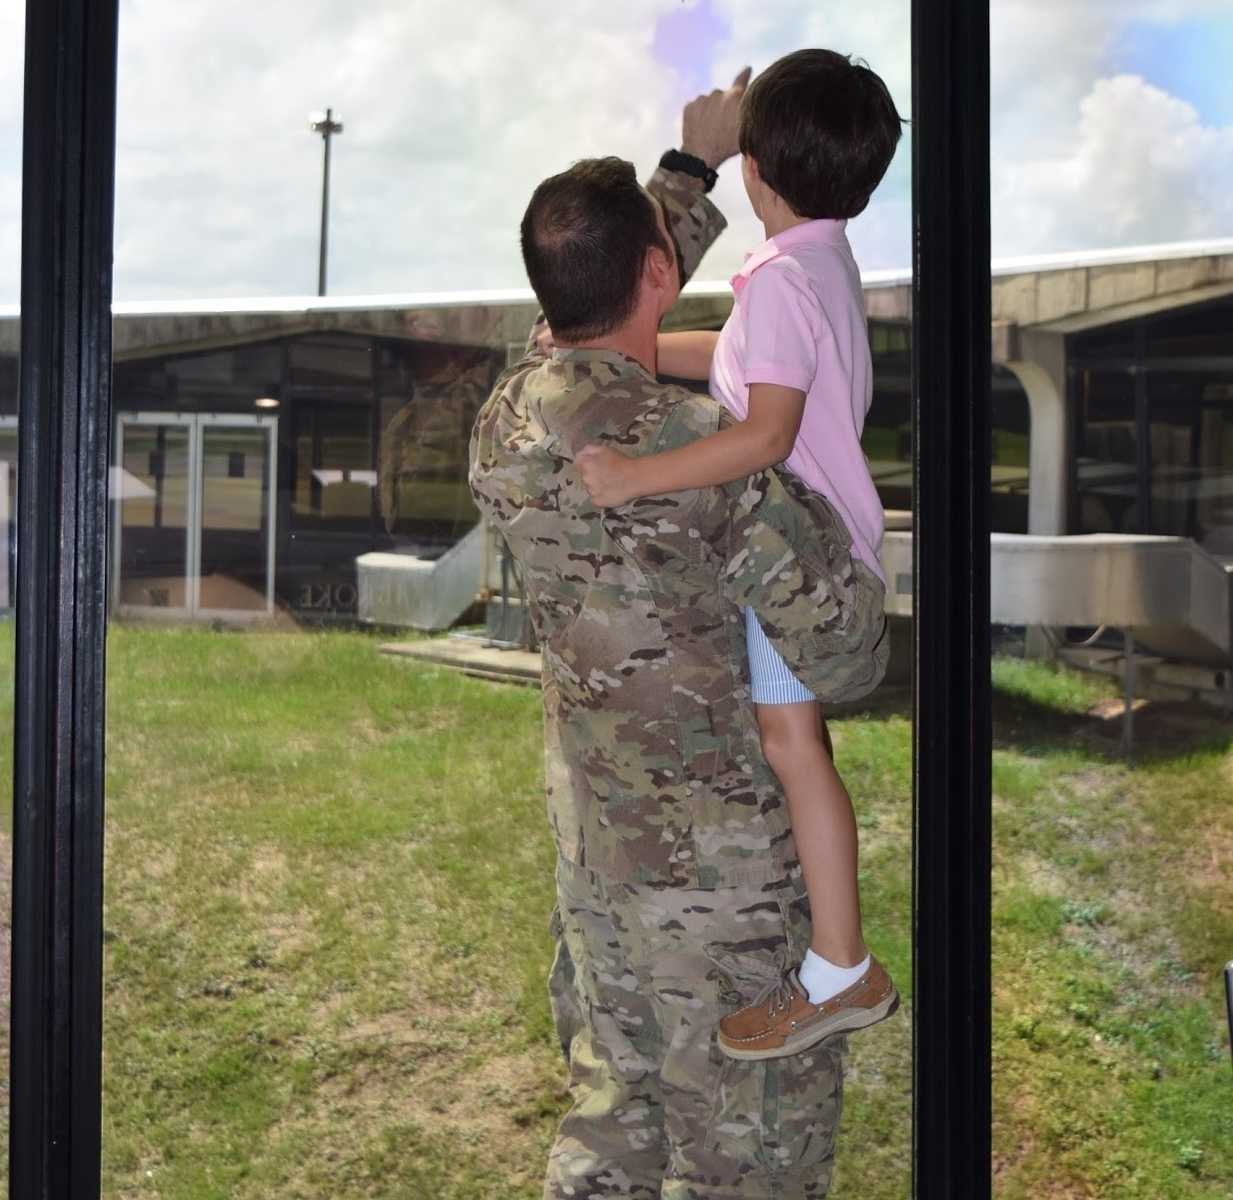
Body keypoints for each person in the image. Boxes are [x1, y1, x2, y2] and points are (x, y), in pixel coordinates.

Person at [469, 71, 889, 1199]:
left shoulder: (511, 418)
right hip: (726, 902)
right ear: (658, 271)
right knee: (738, 1161)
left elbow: (575, 322)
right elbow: (845, 649)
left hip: (599, 865)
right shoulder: (701, 450)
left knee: (614, 1128)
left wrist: (686, 183)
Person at [574, 50, 904, 1061]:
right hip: (823, 551)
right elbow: (731, 358)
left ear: (753, 171)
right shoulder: (815, 265)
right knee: (797, 749)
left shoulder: (779, 288)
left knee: (792, 750)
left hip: (797, 567)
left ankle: (838, 971)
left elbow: (762, 432)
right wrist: (615, 350)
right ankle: (837, 963)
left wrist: (631, 479)